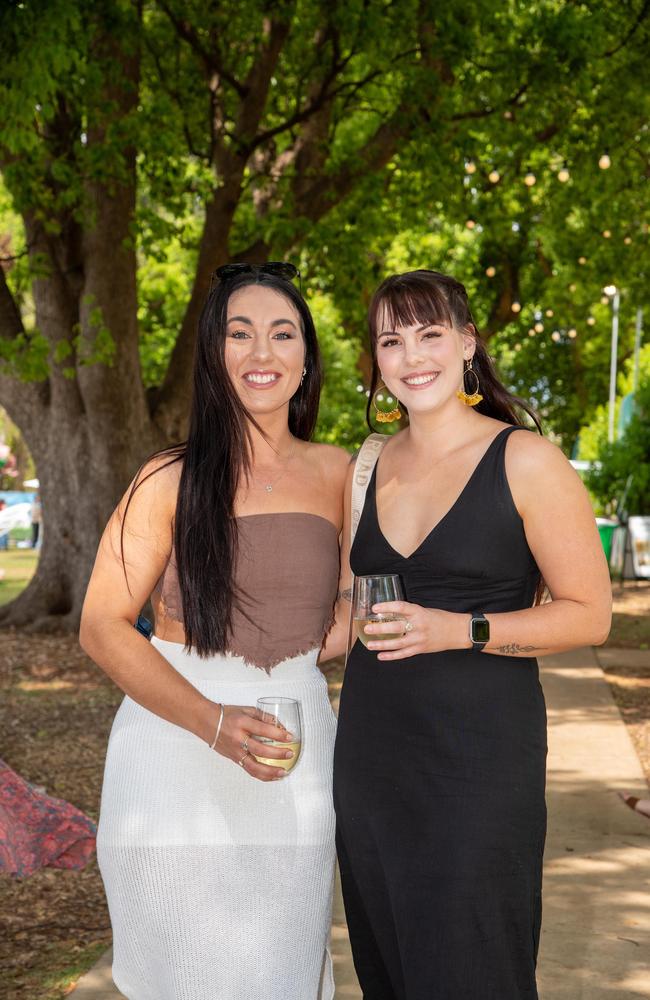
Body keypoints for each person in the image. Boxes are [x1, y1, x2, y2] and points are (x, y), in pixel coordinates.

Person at [328, 269, 612, 999]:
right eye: (392, 340)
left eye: (429, 333)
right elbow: (348, 612)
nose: (412, 356)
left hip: (478, 762)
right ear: (376, 359)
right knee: (388, 961)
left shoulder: (525, 460)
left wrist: (463, 628)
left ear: (465, 342)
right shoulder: (369, 464)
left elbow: (589, 613)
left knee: (473, 963)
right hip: (371, 756)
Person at [80, 263, 349, 1000]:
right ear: (212, 352)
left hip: (295, 754)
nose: (262, 352)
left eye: (282, 333)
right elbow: (102, 626)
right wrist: (215, 721)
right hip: (171, 758)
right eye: (240, 333)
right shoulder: (164, 478)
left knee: (281, 974)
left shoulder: (342, 474)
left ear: (305, 358)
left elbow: (358, 599)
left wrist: (325, 639)